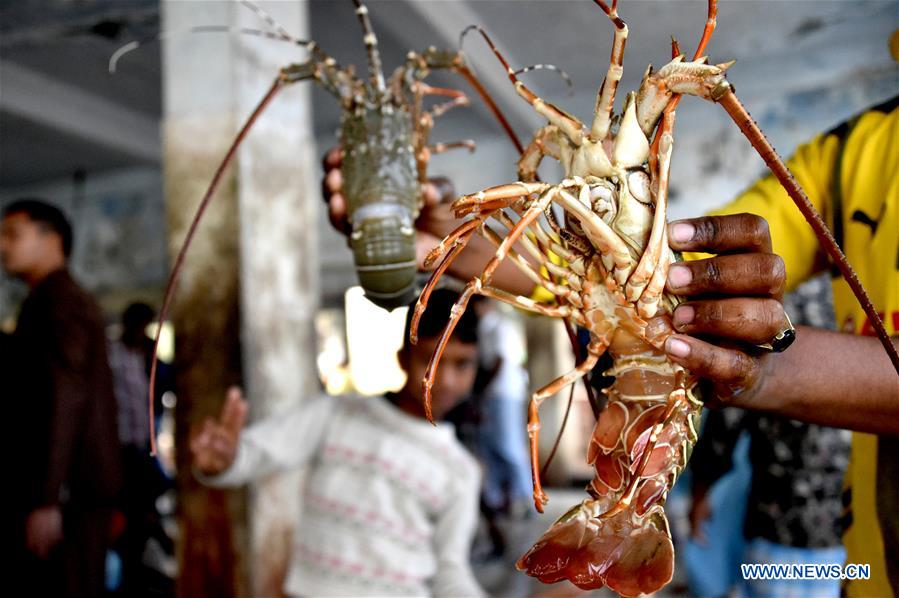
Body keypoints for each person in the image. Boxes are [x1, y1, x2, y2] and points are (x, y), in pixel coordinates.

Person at [191, 289, 485, 597]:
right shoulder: (335, 414)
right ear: (402, 357)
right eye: (432, 360)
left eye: (462, 364)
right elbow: (257, 453)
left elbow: (451, 571)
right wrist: (227, 461)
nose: (447, 380)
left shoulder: (460, 471)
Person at [0, 198, 122, 597]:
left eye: (12, 234)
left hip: (70, 494)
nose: (3, 246)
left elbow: (65, 398)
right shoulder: (50, 300)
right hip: (69, 489)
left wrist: (49, 498)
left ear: (51, 239)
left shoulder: (60, 302)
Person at [470, 297, 532, 517]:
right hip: (490, 395)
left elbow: (499, 362)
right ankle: (496, 499)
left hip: (505, 394)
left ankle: (527, 499)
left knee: (509, 445)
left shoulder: (500, 328)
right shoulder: (484, 329)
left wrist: (480, 387)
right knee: (489, 446)